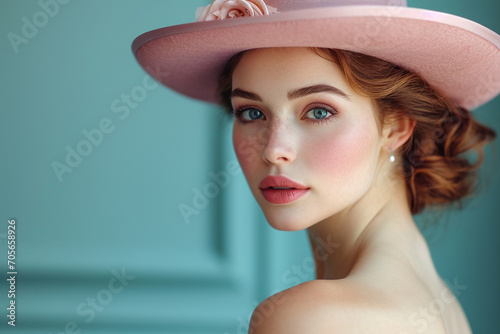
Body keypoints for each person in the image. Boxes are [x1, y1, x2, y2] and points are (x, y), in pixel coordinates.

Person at [132, 0, 500, 332]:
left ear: (397, 126)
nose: (274, 150)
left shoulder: (312, 318)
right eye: (251, 112)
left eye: (318, 111)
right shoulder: (439, 302)